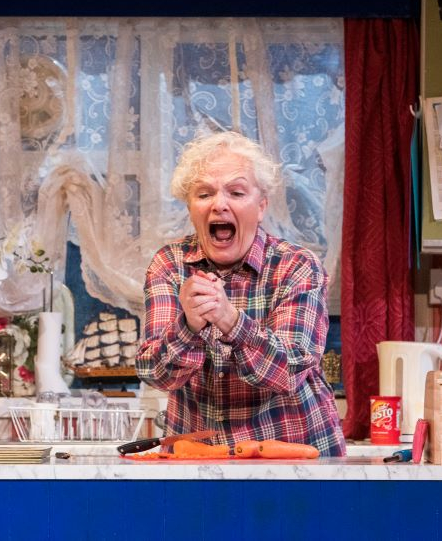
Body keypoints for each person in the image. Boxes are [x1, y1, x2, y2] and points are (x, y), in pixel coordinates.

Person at [136, 131, 346, 456]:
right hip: (198, 462)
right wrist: (188, 327)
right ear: (190, 207)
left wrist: (230, 320)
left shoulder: (297, 267)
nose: (219, 205)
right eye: (204, 194)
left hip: (295, 460)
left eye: (236, 192)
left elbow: (288, 372)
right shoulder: (170, 266)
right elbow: (158, 375)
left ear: (261, 206)